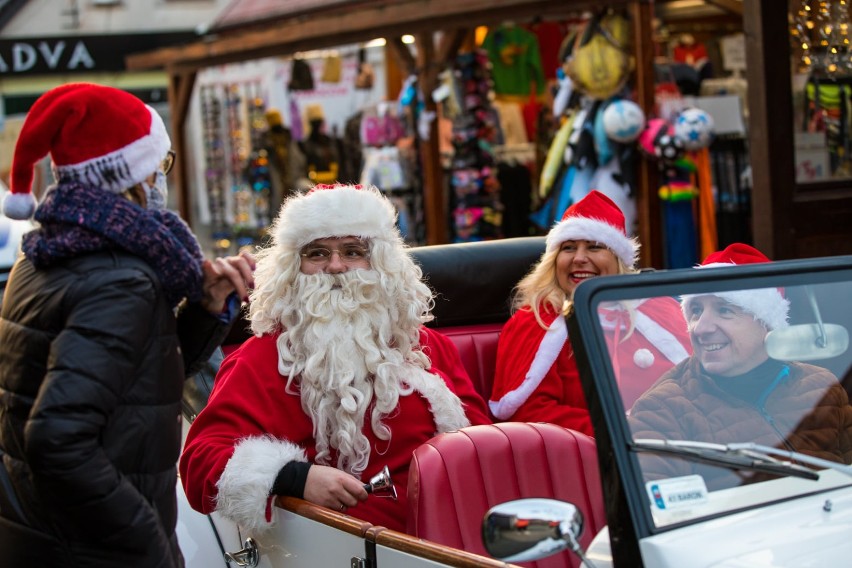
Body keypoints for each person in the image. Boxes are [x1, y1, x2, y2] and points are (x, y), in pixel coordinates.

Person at [0, 83, 256, 568]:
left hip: (41, 532)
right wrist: (146, 541)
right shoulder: (120, 276)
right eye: (161, 165)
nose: (162, 181)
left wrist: (204, 309)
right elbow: (57, 438)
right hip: (93, 547)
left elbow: (134, 377)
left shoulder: (47, 253)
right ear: (135, 174)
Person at [179, 183, 491, 535]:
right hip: (337, 545)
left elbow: (481, 444)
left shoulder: (426, 346)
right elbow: (200, 463)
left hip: (453, 536)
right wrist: (295, 477)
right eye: (317, 254)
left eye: (353, 251)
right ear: (292, 269)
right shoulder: (262, 359)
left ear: (381, 263)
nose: (336, 266)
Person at [629, 243, 852, 489]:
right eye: (696, 311)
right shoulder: (662, 410)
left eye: (724, 310)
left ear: (766, 322)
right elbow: (662, 514)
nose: (701, 328)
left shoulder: (821, 386)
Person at [489, 190, 691, 435]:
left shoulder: (658, 308)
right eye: (569, 248)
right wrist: (621, 430)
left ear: (618, 259)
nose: (579, 258)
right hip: (592, 460)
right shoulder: (537, 323)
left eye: (595, 247)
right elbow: (528, 414)